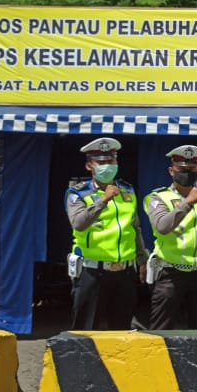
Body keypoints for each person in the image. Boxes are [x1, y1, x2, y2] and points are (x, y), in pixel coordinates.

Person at [143, 145, 197, 330]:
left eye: (191, 170)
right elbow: (162, 226)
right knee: (162, 331)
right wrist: (187, 203)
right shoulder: (157, 198)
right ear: (171, 171)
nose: (187, 173)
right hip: (170, 273)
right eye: (182, 170)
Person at [64, 137, 147, 330]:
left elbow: (134, 227)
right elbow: (78, 223)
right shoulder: (77, 194)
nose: (107, 166)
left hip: (124, 272)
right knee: (86, 333)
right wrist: (103, 200)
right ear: (89, 166)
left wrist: (142, 259)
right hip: (92, 272)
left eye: (111, 162)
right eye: (101, 163)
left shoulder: (127, 190)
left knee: (121, 332)